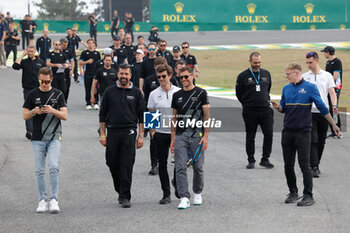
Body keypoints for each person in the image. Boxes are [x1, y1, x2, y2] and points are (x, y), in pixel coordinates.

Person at [272, 62, 340, 206]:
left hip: (303, 132)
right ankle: (293, 192)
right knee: (288, 165)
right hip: (288, 132)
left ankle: (308, 195)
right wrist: (279, 107)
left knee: (304, 165)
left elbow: (322, 107)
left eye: (288, 73)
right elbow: (283, 108)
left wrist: (333, 124)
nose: (286, 76)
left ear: (297, 73)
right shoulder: (286, 88)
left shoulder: (310, 88)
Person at [99, 63, 144, 208]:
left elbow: (142, 116)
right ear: (117, 74)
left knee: (126, 165)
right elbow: (102, 114)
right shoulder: (109, 91)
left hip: (130, 132)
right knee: (111, 162)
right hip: (112, 132)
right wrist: (102, 134)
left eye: (126, 74)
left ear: (131, 75)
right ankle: (120, 190)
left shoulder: (137, 93)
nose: (124, 76)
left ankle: (125, 196)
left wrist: (141, 135)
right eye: (121, 74)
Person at [22, 67, 67, 213]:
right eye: (42, 81)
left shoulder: (58, 94)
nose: (44, 84)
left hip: (54, 136)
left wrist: (52, 110)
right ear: (39, 79)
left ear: (51, 79)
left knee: (54, 167)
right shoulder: (32, 94)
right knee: (39, 170)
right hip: (37, 137)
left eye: (47, 81)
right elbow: (25, 115)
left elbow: (65, 116)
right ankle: (42, 199)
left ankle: (54, 199)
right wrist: (35, 111)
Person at [170, 66, 210, 209]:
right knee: (180, 167)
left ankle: (197, 192)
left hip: (197, 136)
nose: (184, 80)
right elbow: (174, 117)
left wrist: (205, 136)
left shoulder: (201, 93)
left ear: (192, 76)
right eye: (181, 78)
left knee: (198, 167)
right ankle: (184, 197)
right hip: (181, 136)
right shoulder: (177, 95)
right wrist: (173, 138)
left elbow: (207, 116)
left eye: (186, 77)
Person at [147, 64, 181, 204]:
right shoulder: (153, 94)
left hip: (177, 134)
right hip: (160, 133)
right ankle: (166, 193)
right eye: (159, 76)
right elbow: (150, 113)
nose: (161, 79)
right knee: (162, 164)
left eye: (164, 76)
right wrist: (153, 132)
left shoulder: (179, 92)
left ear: (170, 75)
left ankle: (178, 185)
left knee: (179, 163)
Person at [302, 52, 338, 177]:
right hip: (309, 112)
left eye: (310, 62)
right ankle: (314, 166)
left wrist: (334, 105)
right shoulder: (304, 76)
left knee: (321, 141)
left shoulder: (327, 75)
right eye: (306, 63)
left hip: (324, 113)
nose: (308, 65)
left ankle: (317, 163)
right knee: (314, 140)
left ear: (317, 61)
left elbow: (332, 92)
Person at [235, 52, 274, 169]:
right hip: (250, 111)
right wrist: (247, 104)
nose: (257, 65)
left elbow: (268, 88)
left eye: (259, 62)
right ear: (250, 62)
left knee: (269, 134)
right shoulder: (242, 76)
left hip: (265, 110)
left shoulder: (266, 74)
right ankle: (251, 159)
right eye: (255, 62)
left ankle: (265, 159)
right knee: (250, 135)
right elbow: (239, 93)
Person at [13, 44, 46, 139]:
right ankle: (29, 131)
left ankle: (39, 130)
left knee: (40, 109)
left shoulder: (41, 62)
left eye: (32, 51)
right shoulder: (24, 62)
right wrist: (23, 55)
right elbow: (15, 66)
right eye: (29, 51)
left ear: (35, 51)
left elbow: (46, 74)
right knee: (29, 109)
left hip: (39, 89)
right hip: (27, 90)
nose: (30, 53)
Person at [321, 46, 343, 139]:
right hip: (328, 87)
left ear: (328, 52)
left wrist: (326, 83)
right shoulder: (328, 62)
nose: (324, 54)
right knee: (329, 108)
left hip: (335, 87)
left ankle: (338, 130)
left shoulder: (337, 62)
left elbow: (335, 76)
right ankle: (333, 129)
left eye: (324, 52)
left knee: (333, 108)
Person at [79, 38, 101, 110]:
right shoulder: (85, 53)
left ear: (94, 44)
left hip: (96, 74)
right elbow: (80, 63)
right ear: (87, 44)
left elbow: (100, 64)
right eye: (89, 43)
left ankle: (96, 102)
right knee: (88, 88)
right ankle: (88, 103)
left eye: (92, 43)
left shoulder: (97, 53)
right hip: (88, 73)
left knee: (96, 88)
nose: (90, 44)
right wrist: (87, 62)